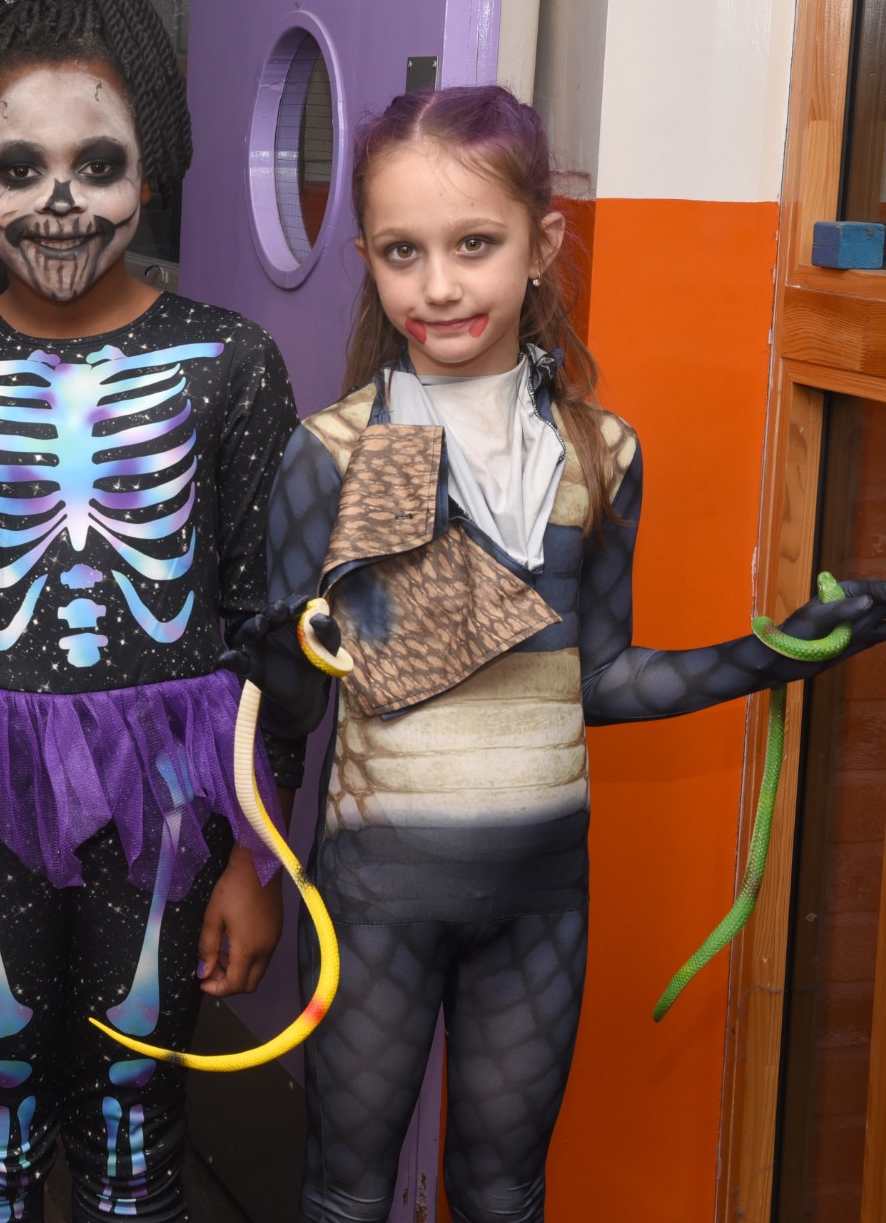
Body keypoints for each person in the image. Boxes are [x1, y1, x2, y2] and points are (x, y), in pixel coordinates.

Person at [260, 84, 886, 1222]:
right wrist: (274, 650)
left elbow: (597, 680)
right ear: (367, 260)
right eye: (401, 252)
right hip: (375, 896)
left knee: (504, 1192)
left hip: (540, 894)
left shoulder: (602, 453)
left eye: (475, 244)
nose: (438, 284)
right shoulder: (339, 451)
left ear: (542, 243)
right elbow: (293, 710)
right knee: (346, 1194)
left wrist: (775, 652)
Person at [0, 0, 306, 1221]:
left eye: (96, 165)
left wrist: (259, 860)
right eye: (19, 169)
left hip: (171, 795)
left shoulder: (231, 363)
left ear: (149, 170)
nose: (59, 204)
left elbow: (271, 629)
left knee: (132, 1112)